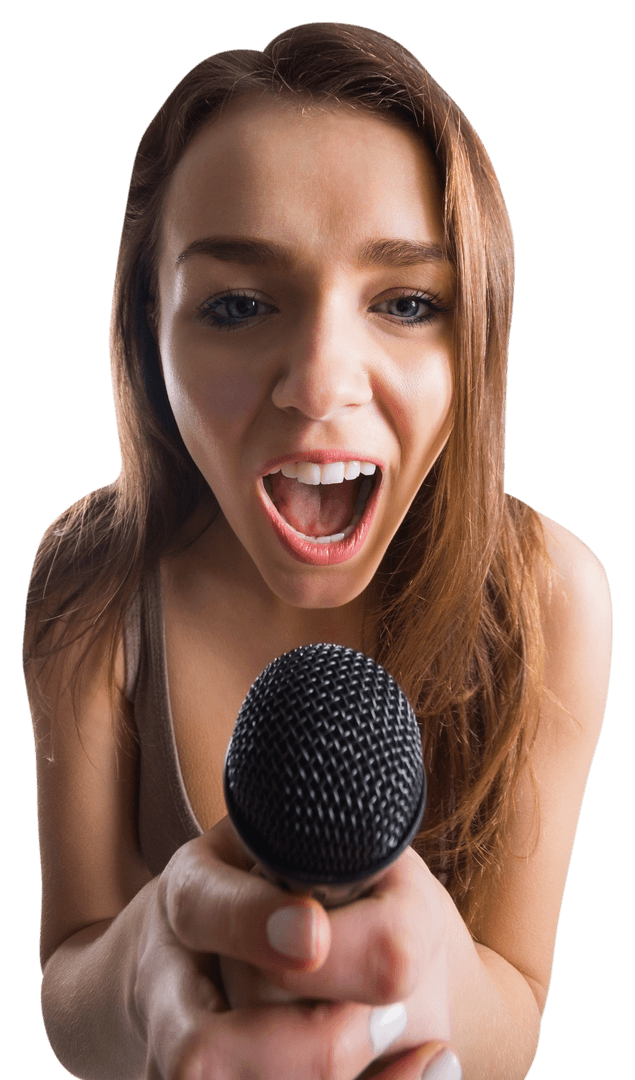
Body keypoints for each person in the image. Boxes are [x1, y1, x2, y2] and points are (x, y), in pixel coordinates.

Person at [22, 21, 612, 1080]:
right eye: (238, 305)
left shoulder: (549, 598)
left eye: (406, 303)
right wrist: (146, 970)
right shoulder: (90, 583)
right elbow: (70, 972)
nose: (319, 382)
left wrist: (429, 983)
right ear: (148, 334)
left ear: (477, 333)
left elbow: (518, 1003)